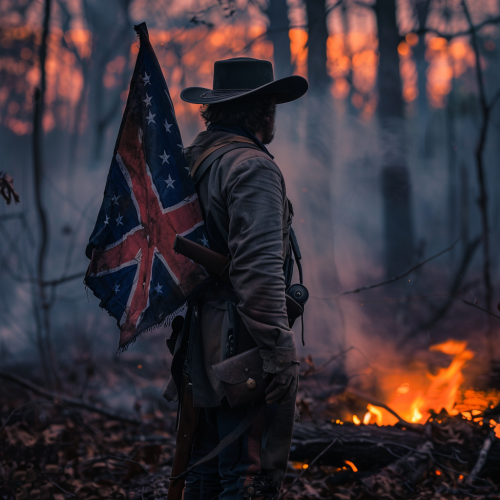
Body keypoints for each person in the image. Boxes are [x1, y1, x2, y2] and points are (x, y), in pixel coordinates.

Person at [163, 57, 308, 500]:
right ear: (264, 110)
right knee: (247, 477)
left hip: (200, 340)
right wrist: (279, 352)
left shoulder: (193, 158)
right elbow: (260, 273)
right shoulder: (253, 168)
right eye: (272, 107)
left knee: (207, 467)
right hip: (242, 343)